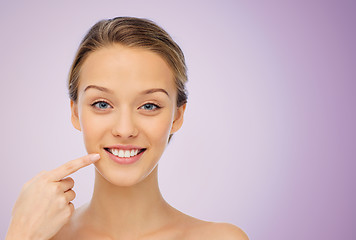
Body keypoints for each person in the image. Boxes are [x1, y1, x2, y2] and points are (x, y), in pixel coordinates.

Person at [6, 17, 248, 240]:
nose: (124, 129)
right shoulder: (41, 236)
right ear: (75, 112)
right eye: (102, 104)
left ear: (177, 116)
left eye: (149, 105)